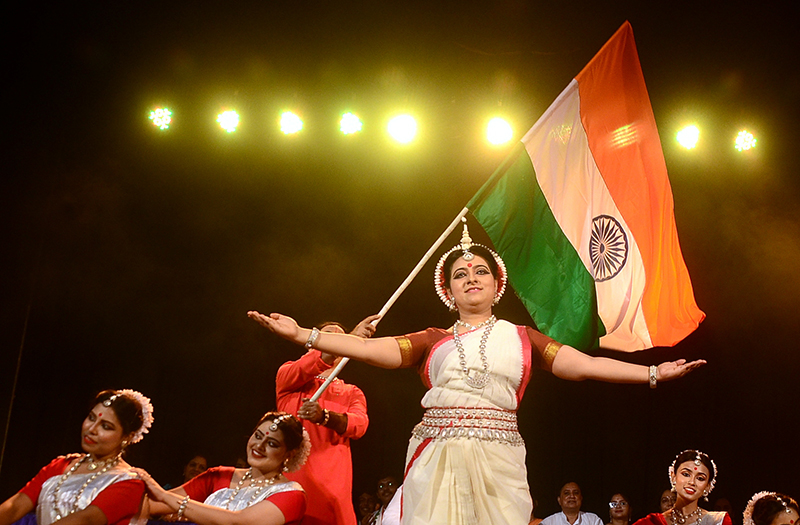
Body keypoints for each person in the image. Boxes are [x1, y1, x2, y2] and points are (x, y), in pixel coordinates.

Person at [248, 221, 706, 525]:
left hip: (498, 460)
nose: (471, 277)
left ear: (496, 284)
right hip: (437, 454)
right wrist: (303, 335)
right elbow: (368, 350)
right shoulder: (432, 339)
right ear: (449, 290)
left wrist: (650, 373)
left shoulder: (524, 337)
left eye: (480, 271)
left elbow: (583, 365)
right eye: (461, 274)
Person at [276, 317, 377, 525]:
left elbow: (359, 425)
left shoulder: (352, 392)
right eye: (328, 337)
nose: (334, 341)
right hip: (288, 492)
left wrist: (324, 417)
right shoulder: (288, 377)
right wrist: (351, 339)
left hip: (332, 496)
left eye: (339, 338)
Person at [0, 389, 154, 525]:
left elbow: (86, 520)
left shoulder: (129, 482)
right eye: (91, 418)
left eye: (106, 426)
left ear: (127, 437)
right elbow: (15, 506)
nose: (92, 429)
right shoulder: (60, 465)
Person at [134, 411, 309, 524]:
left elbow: (237, 522)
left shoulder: (292, 495)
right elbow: (153, 504)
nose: (259, 446)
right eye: (257, 436)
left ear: (289, 454)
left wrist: (165, 496)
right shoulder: (219, 476)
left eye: (272, 443)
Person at [633, 450, 731, 525]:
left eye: (700, 478)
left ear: (708, 486)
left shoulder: (717, 522)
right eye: (686, 474)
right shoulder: (652, 522)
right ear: (673, 476)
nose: (692, 482)